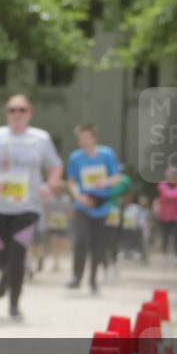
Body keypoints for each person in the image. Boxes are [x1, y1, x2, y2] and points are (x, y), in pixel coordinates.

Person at [0, 94, 62, 320]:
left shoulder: (41, 139)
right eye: (12, 110)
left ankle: (14, 304)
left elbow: (55, 166)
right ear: (7, 113)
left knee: (18, 252)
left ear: (29, 113)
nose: (17, 114)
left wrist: (50, 185)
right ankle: (5, 273)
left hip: (28, 206)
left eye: (22, 110)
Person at [65, 123, 121, 294]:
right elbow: (72, 181)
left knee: (98, 244)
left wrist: (106, 182)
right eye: (80, 137)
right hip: (83, 203)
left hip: (101, 204)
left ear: (94, 137)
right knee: (80, 240)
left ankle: (93, 280)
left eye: (86, 136)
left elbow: (117, 177)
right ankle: (76, 276)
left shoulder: (106, 154)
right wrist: (78, 196)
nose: (83, 140)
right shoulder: (75, 157)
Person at [157, 166, 177, 265]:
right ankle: (164, 257)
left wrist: (172, 195)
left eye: (172, 174)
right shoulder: (162, 184)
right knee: (165, 237)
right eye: (168, 174)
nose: (170, 176)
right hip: (165, 215)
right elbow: (167, 194)